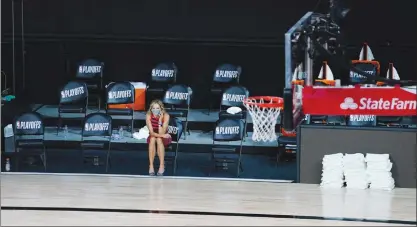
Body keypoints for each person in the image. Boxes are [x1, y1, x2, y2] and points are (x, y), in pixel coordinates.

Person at [146, 100, 171, 176]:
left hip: (164, 136)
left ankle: (162, 165)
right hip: (154, 135)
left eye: (157, 108)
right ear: (151, 109)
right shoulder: (148, 115)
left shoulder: (166, 116)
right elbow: (151, 132)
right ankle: (151, 165)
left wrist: (160, 121)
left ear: (161, 108)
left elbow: (162, 133)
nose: (155, 110)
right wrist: (161, 136)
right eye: (153, 108)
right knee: (153, 138)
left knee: (159, 139)